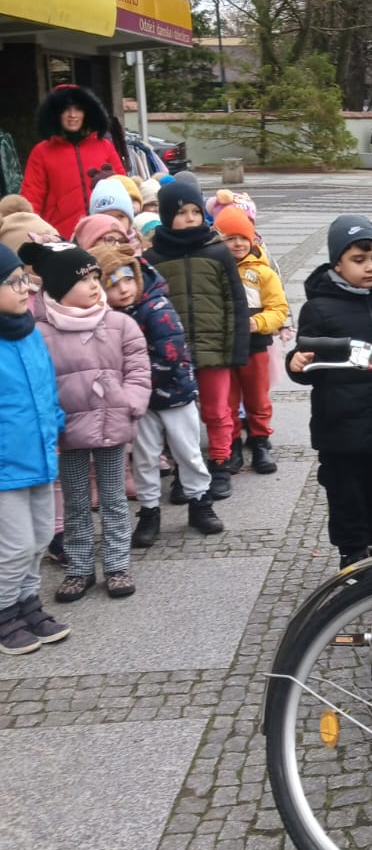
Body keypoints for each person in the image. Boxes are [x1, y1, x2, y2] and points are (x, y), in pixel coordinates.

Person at [23, 240, 152, 602]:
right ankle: (79, 567)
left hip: (112, 425)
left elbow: (138, 369)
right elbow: (38, 379)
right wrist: (50, 421)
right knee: (76, 501)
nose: (96, 285)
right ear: (61, 289)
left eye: (97, 276)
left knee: (112, 498)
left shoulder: (119, 324)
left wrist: (130, 402)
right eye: (85, 280)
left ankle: (116, 564)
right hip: (68, 431)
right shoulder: (40, 332)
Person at [288, 216, 372, 566]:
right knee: (346, 496)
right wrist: (296, 362)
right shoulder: (319, 308)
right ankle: (352, 556)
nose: (370, 267)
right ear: (337, 262)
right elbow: (306, 363)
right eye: (359, 260)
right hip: (339, 427)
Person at [93, 244, 224, 545]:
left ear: (138, 277)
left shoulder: (156, 308)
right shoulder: (108, 317)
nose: (123, 290)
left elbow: (171, 351)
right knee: (144, 456)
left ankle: (200, 501)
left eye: (128, 280)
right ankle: (150, 510)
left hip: (173, 391)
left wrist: (134, 383)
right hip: (138, 401)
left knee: (187, 450)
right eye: (112, 285)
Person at [145, 178, 250, 499]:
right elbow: (149, 306)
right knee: (179, 418)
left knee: (218, 410)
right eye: (181, 212)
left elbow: (235, 301)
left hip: (214, 347)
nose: (190, 218)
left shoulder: (217, 252)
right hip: (173, 352)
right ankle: (185, 471)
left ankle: (219, 465)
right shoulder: (154, 258)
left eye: (195, 211)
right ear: (165, 216)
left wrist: (237, 346)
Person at [0, 245, 70, 654]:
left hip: (41, 457)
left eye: (24, 278)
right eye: (12, 283)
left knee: (41, 536)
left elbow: (46, 389)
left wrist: (55, 426)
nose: (24, 288)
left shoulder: (28, 332)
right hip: (6, 466)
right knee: (14, 545)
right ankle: (5, 611)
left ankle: (27, 603)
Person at [214, 204, 288, 474]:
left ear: (252, 238)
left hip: (255, 346)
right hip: (223, 346)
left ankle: (260, 442)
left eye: (242, 237)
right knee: (228, 400)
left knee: (257, 398)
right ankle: (232, 444)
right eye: (230, 238)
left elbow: (279, 310)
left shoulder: (262, 273)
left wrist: (258, 323)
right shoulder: (215, 269)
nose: (237, 244)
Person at [21, 84, 126, 240]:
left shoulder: (104, 146)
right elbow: (32, 198)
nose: (72, 115)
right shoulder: (41, 152)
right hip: (60, 236)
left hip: (105, 234)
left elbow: (123, 188)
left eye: (78, 109)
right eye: (66, 109)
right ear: (55, 114)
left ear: (87, 113)